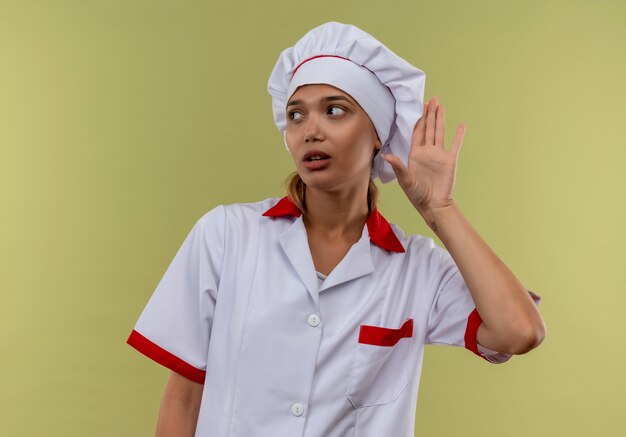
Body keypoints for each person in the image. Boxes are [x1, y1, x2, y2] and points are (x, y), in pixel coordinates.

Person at [126, 21, 545, 437]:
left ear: (378, 135)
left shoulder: (416, 268)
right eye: (296, 115)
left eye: (334, 110)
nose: (311, 130)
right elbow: (184, 401)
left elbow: (519, 331)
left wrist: (440, 209)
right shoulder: (225, 236)